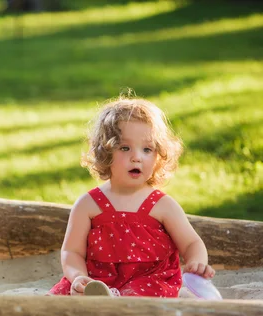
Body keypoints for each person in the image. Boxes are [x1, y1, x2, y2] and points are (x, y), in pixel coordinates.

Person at [50, 95, 215, 297]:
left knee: (137, 295)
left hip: (149, 281)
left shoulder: (162, 206)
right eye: (125, 148)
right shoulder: (88, 205)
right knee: (61, 297)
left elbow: (191, 243)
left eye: (147, 149)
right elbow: (72, 252)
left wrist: (197, 262)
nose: (136, 157)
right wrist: (78, 276)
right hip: (97, 280)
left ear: (158, 156)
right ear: (105, 152)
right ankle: (95, 296)